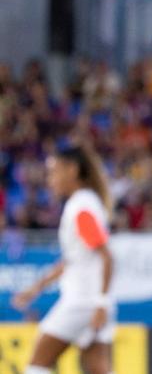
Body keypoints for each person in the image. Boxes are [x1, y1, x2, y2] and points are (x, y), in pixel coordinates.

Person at [12, 147, 115, 374]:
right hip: (92, 302)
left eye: (54, 172)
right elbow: (74, 260)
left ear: (72, 170)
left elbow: (107, 256)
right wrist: (36, 288)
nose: (50, 180)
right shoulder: (87, 203)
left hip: (82, 302)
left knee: (36, 366)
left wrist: (101, 303)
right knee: (98, 370)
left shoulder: (80, 207)